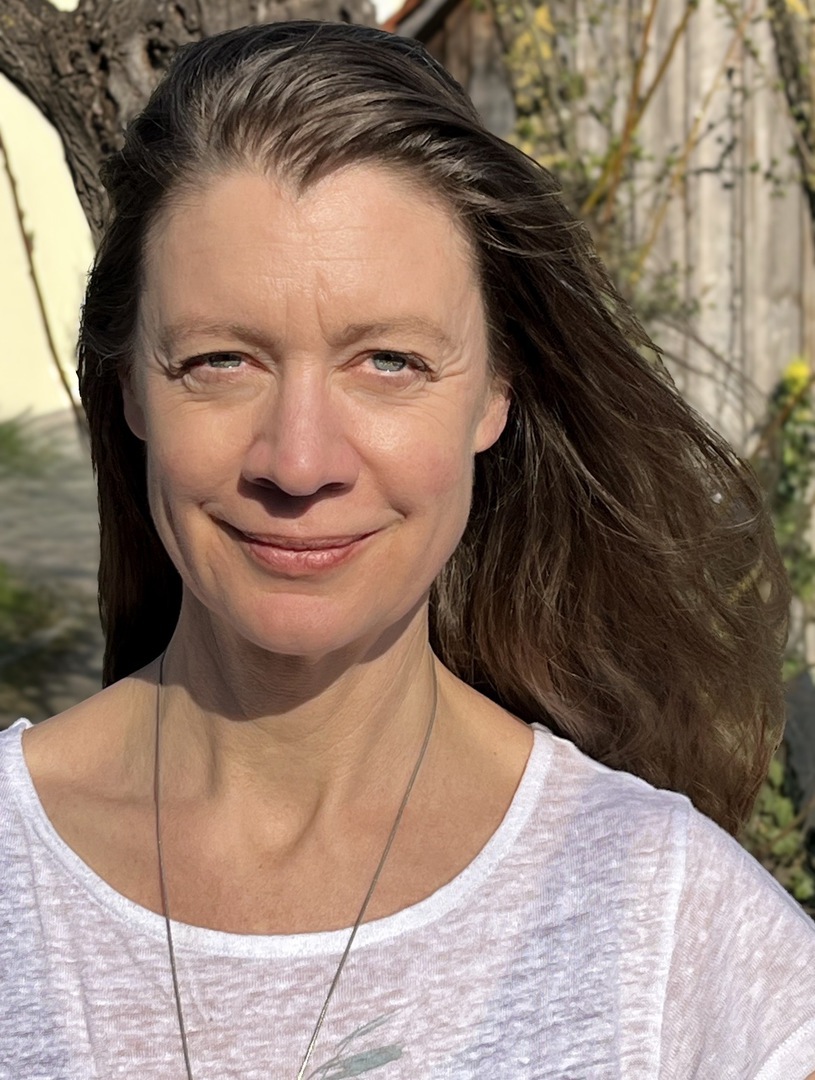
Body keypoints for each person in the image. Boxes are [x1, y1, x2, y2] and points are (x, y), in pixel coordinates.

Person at [1, 18, 814, 1079]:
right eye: (220, 360)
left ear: (495, 394)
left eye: (387, 361)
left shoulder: (675, 936)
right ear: (129, 390)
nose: (299, 462)